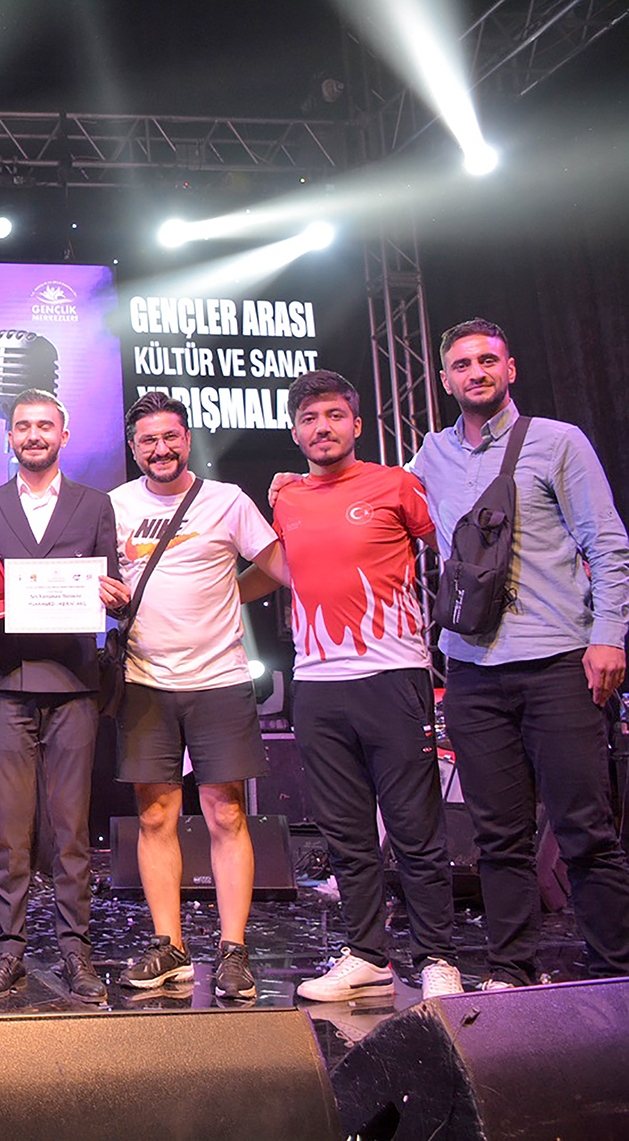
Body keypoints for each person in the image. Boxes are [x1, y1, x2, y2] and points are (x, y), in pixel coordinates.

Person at [408, 318, 629, 989]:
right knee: (497, 837)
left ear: (510, 369)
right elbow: (369, 500)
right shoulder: (430, 456)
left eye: (487, 360)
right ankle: (511, 972)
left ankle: (614, 976)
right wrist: (294, 484)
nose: (475, 372)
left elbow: (606, 543)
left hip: (558, 662)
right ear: (444, 380)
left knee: (584, 830)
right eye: (461, 364)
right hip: (472, 672)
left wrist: (608, 635)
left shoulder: (558, 442)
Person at [243, 371, 462, 1001]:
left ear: (357, 424)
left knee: (415, 829)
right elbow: (280, 570)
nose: (323, 428)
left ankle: (437, 958)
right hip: (316, 682)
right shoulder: (286, 497)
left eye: (335, 415)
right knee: (346, 834)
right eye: (310, 419)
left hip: (393, 676)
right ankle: (367, 957)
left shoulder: (396, 485)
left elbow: (455, 548)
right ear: (295, 432)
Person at [100, 390, 282, 1000]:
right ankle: (170, 947)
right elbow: (92, 578)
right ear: (134, 449)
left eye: (170, 437)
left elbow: (276, 565)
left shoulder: (227, 500)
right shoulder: (115, 506)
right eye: (148, 440)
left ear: (187, 439)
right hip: (144, 680)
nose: (161, 449)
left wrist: (232, 594)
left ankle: (233, 950)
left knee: (226, 813)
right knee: (155, 816)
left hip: (220, 678)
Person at [0, 390, 120, 1003]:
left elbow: (113, 587)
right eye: (23, 426)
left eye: (45, 425)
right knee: (9, 829)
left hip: (74, 682)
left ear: (63, 435)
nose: (34, 434)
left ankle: (76, 950)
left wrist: (114, 597)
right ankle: (9, 951)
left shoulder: (95, 504)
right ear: (9, 437)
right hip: (5, 682)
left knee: (71, 829)